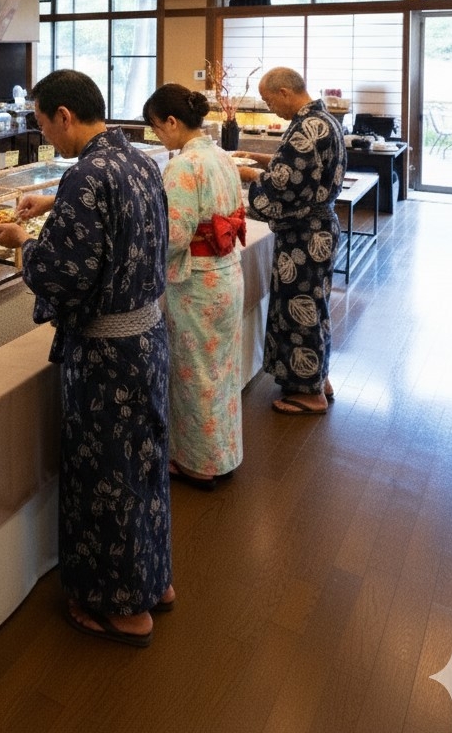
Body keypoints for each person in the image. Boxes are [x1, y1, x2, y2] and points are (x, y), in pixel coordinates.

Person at [0, 69, 173, 646]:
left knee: (106, 475)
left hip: (106, 355)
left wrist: (24, 243)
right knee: (145, 462)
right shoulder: (136, 158)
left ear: (64, 115)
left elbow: (63, 275)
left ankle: (119, 606)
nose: (47, 137)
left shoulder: (87, 176)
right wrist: (54, 200)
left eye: (44, 125)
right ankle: (154, 580)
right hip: (148, 339)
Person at [143, 83, 245, 490]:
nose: (156, 136)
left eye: (156, 127)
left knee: (193, 373)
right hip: (226, 272)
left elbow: (174, 235)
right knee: (220, 371)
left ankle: (198, 463)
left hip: (196, 281)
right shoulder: (221, 156)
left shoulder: (183, 166)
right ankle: (223, 453)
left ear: (172, 121)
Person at [233, 67, 343, 415]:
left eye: (269, 100)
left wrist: (249, 174)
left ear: (284, 92)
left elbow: (285, 184)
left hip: (305, 236)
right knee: (314, 306)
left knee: (302, 310)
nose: (270, 108)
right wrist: (262, 159)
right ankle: (317, 377)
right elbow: (297, 168)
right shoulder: (323, 120)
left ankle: (311, 395)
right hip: (317, 228)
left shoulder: (307, 128)